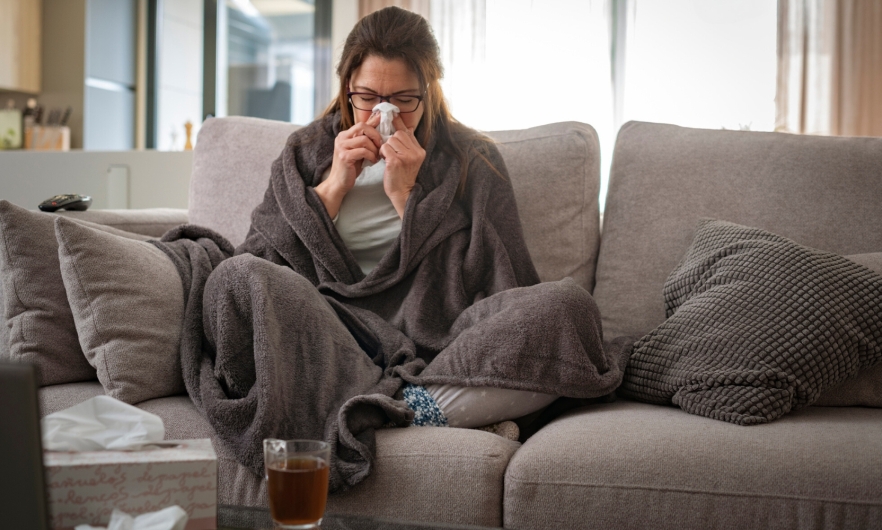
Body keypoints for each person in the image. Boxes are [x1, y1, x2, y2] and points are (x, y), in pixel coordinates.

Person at [157, 6, 626, 492]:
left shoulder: (473, 160)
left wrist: (410, 201)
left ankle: (394, 407)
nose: (385, 114)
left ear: (430, 91)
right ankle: (431, 407)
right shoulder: (305, 153)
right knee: (234, 279)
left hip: (437, 343)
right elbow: (259, 266)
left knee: (567, 307)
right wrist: (331, 190)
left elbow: (504, 285)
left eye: (404, 99)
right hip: (331, 338)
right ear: (346, 88)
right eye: (368, 98)